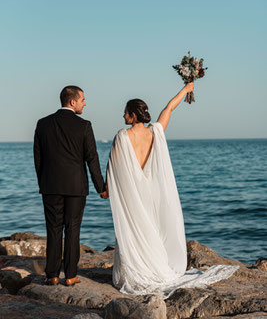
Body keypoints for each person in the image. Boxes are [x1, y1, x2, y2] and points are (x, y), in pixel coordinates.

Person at [101, 83, 238, 298]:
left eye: (126, 112)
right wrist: (186, 89)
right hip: (151, 192)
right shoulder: (155, 132)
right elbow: (169, 108)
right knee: (152, 228)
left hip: (133, 193)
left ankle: (139, 269)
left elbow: (113, 165)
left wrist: (106, 188)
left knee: (135, 228)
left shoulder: (122, 136)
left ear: (133, 114)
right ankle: (154, 266)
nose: (123, 115)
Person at [34, 85, 105, 286]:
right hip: (76, 186)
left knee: (53, 229)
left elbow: (38, 158)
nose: (85, 103)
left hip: (50, 185)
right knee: (73, 229)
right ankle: (71, 275)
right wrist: (101, 187)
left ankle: (52, 275)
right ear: (72, 101)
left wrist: (44, 182)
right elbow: (92, 159)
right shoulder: (84, 125)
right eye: (82, 99)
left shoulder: (43, 124)